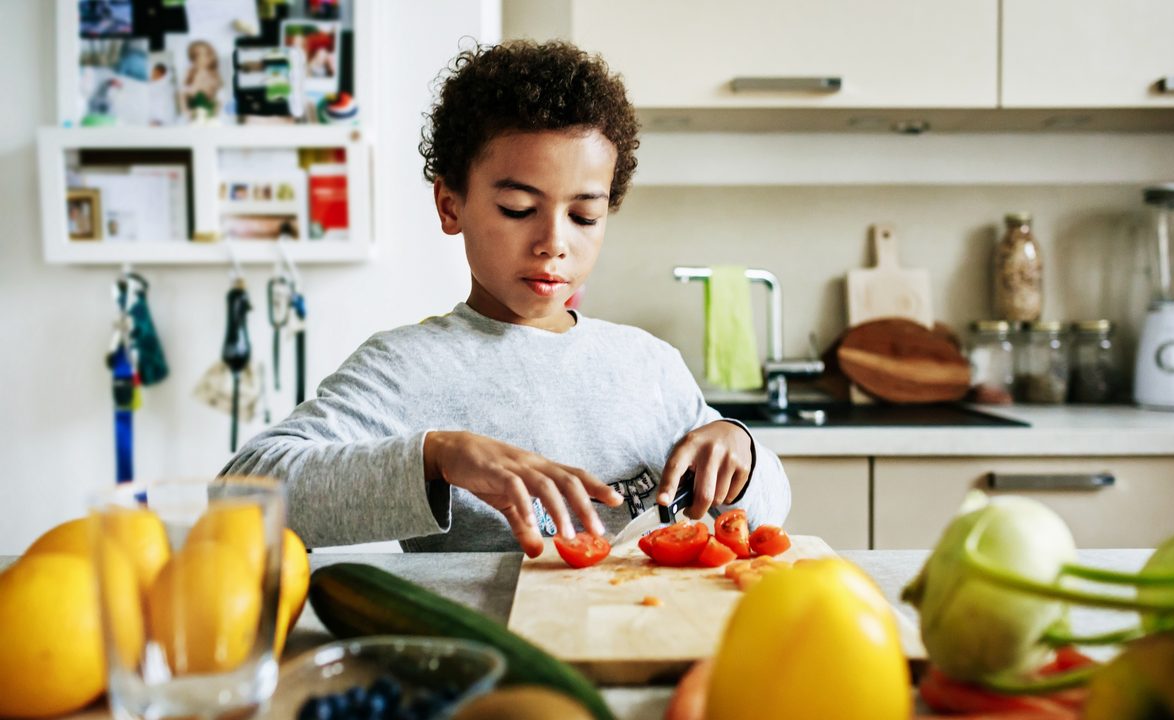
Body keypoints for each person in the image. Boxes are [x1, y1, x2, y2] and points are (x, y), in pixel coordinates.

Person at [221, 41, 791, 556]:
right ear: (451, 205)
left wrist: (740, 450)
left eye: (584, 215)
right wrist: (437, 455)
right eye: (519, 209)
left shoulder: (650, 365)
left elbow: (768, 510)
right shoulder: (409, 367)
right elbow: (241, 498)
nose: (553, 244)